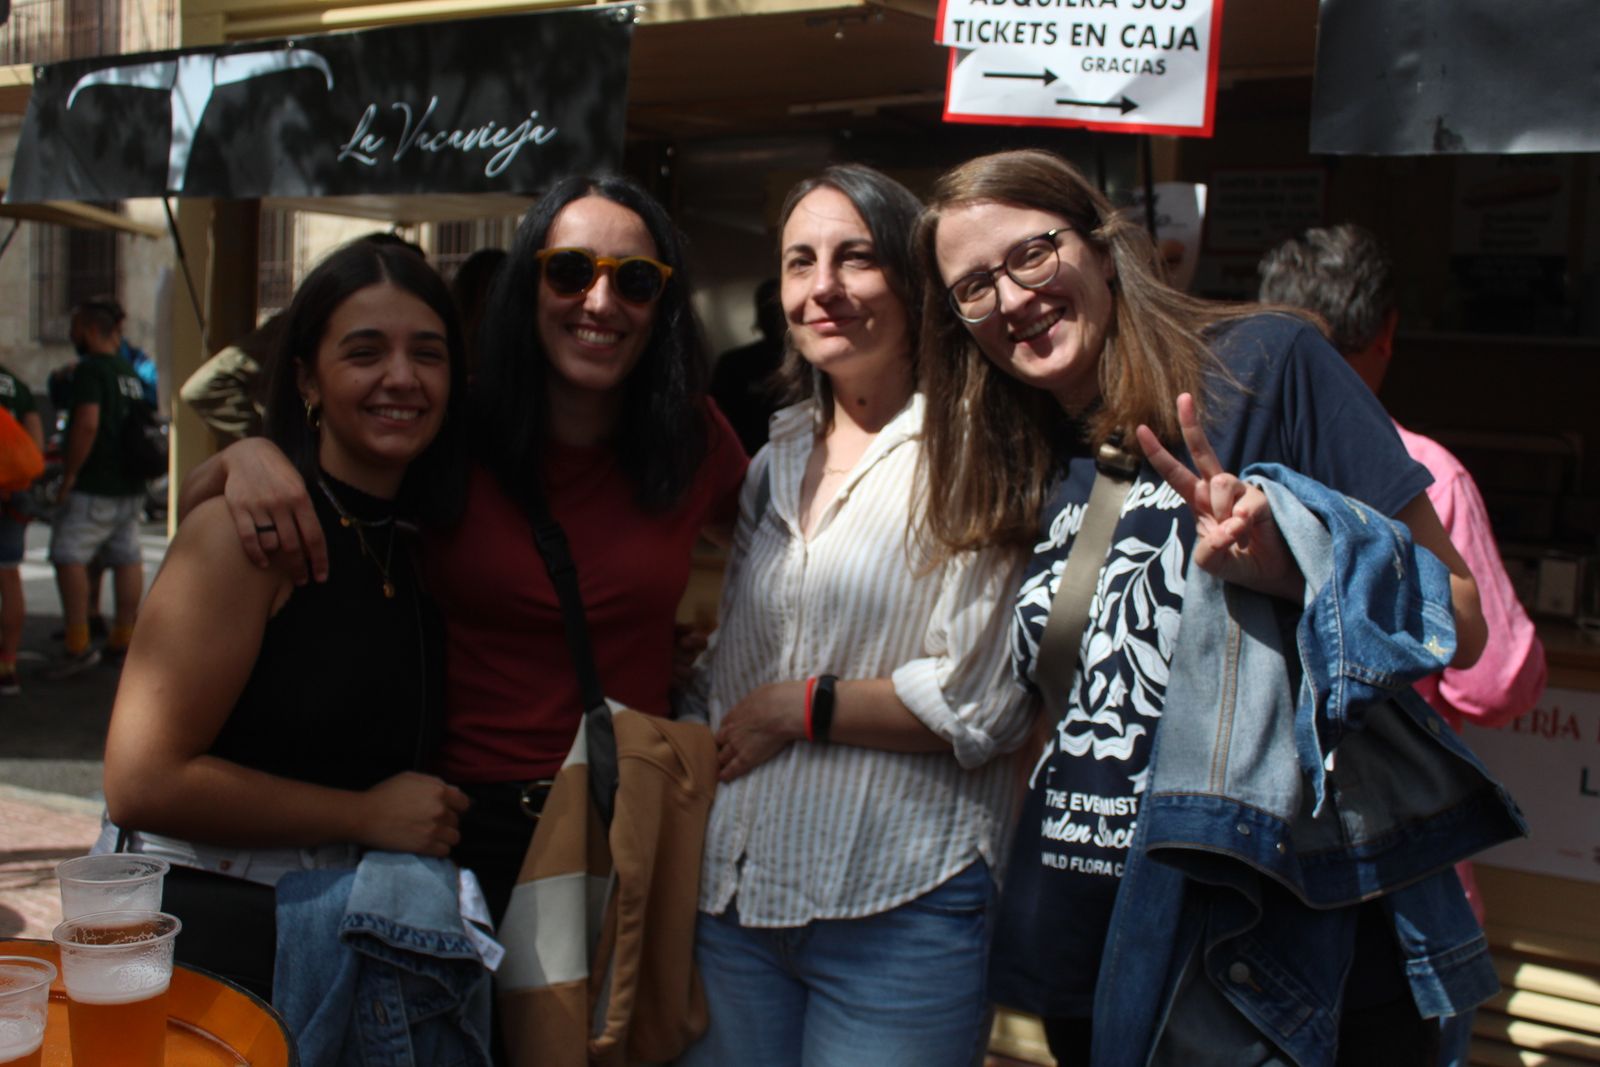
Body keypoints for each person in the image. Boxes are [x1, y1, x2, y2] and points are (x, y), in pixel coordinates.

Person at [914, 149, 1488, 1065]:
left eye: (1031, 254)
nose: (1012, 300)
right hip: (1092, 940)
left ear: (1104, 248)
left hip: (1269, 952)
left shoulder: (1265, 364)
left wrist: (1296, 568)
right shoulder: (1024, 442)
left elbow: (1459, 615)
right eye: (973, 287)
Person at [179, 176, 748, 928]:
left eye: (636, 281)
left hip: (624, 815)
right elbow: (330, 476)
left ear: (662, 305)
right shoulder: (451, 430)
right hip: (454, 825)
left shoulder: (692, 438)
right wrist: (240, 458)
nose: (601, 303)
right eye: (571, 270)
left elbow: (789, 556)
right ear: (528, 283)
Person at [677, 165, 1030, 1067]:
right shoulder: (777, 451)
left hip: (901, 900)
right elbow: (736, 661)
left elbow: (980, 701)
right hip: (736, 894)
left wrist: (798, 706)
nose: (821, 286)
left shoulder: (977, 447)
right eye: (800, 262)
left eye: (854, 258)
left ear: (915, 285)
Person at [99, 238, 472, 1000]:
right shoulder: (250, 534)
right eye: (364, 352)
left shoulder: (414, 537)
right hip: (210, 952)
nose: (400, 377)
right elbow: (140, 778)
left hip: (333, 945)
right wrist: (364, 813)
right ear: (307, 376)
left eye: (427, 354)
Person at [1258, 223, 1547, 1067]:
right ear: (1384, 335)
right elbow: (1493, 683)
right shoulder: (1425, 473)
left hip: (1244, 871)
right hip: (1396, 880)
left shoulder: (1226, 464)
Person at [47, 298, 155, 676]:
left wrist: (70, 474)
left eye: (76, 327)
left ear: (92, 330)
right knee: (126, 556)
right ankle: (123, 639)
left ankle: (78, 644)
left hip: (96, 483)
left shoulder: (91, 372)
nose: (72, 335)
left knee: (67, 554)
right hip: (129, 483)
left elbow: (87, 424)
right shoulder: (129, 371)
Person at [0, 362, 44, 695]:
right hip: (12, 495)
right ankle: (8, 665)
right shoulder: (16, 386)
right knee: (9, 575)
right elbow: (35, 446)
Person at [709, 277, 785, 454]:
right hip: (747, 460)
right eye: (768, 310)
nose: (773, 317)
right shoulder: (733, 364)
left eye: (777, 310)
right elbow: (718, 424)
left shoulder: (814, 362)